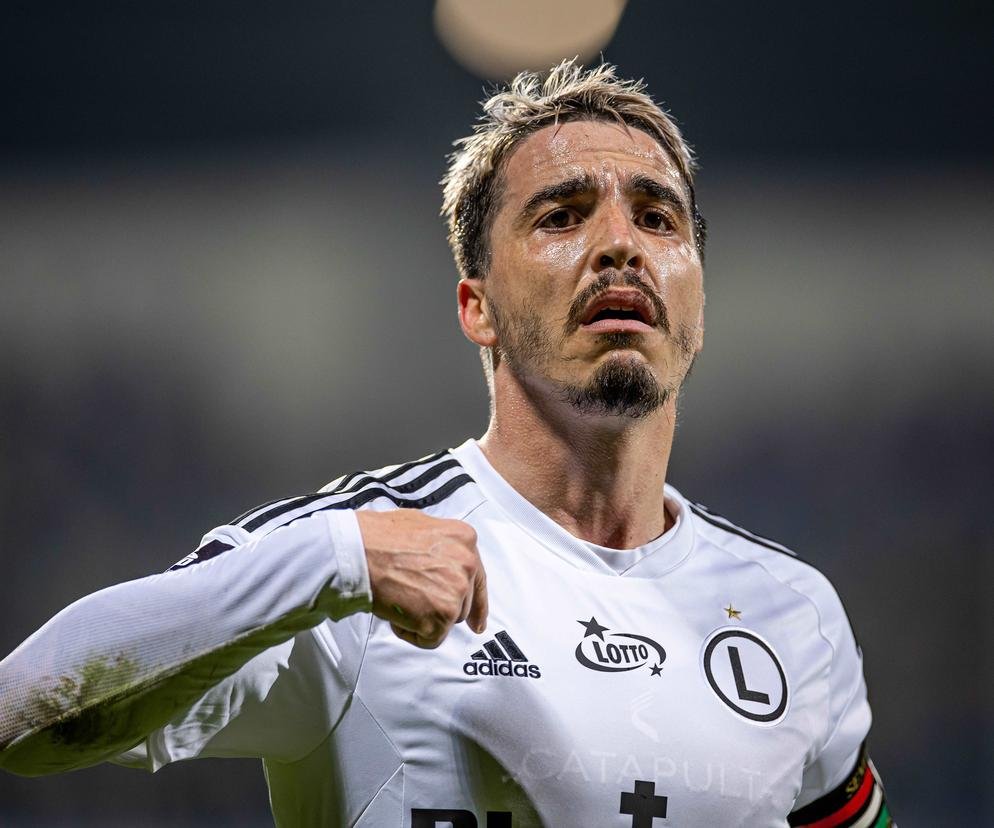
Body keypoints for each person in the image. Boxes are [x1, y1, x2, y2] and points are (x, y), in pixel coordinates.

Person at [0, 59, 893, 827]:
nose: (621, 244)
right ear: (479, 308)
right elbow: (22, 715)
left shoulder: (793, 611)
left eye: (658, 218)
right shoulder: (356, 560)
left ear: (697, 301)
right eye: (563, 216)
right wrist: (334, 561)